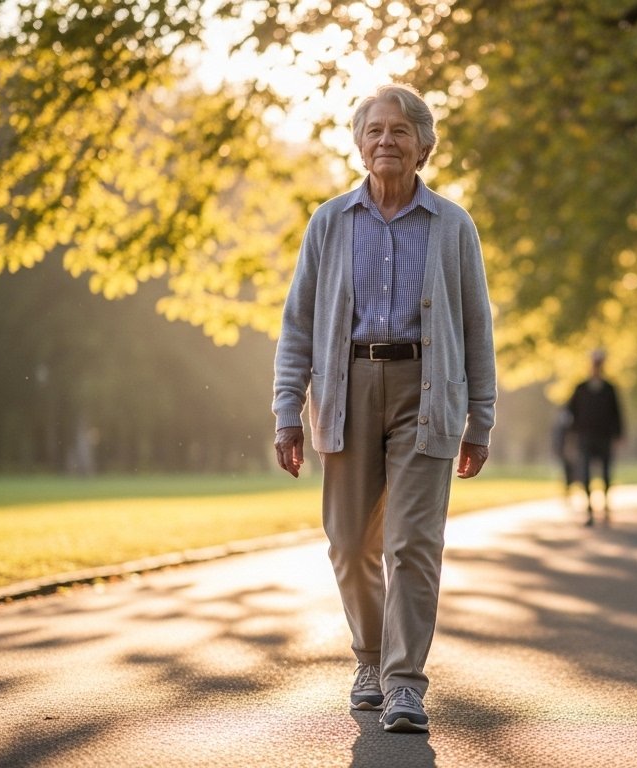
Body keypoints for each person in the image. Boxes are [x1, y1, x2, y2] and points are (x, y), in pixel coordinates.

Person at [271, 84, 496, 734]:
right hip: (346, 390)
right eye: (375, 131)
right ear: (359, 144)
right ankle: (369, 660)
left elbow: (476, 329)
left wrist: (480, 419)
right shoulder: (329, 222)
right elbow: (298, 323)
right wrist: (287, 409)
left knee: (412, 545)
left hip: (429, 390)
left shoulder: (452, 225)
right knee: (349, 544)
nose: (386, 141)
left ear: (423, 146)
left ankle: (404, 685)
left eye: (400, 131)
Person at [567, 349, 625, 526]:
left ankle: (605, 507)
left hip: (604, 437)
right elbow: (571, 412)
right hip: (585, 437)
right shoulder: (581, 389)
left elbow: (617, 414)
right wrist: (571, 435)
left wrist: (618, 435)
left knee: (606, 473)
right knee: (585, 473)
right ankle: (590, 510)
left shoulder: (609, 389)